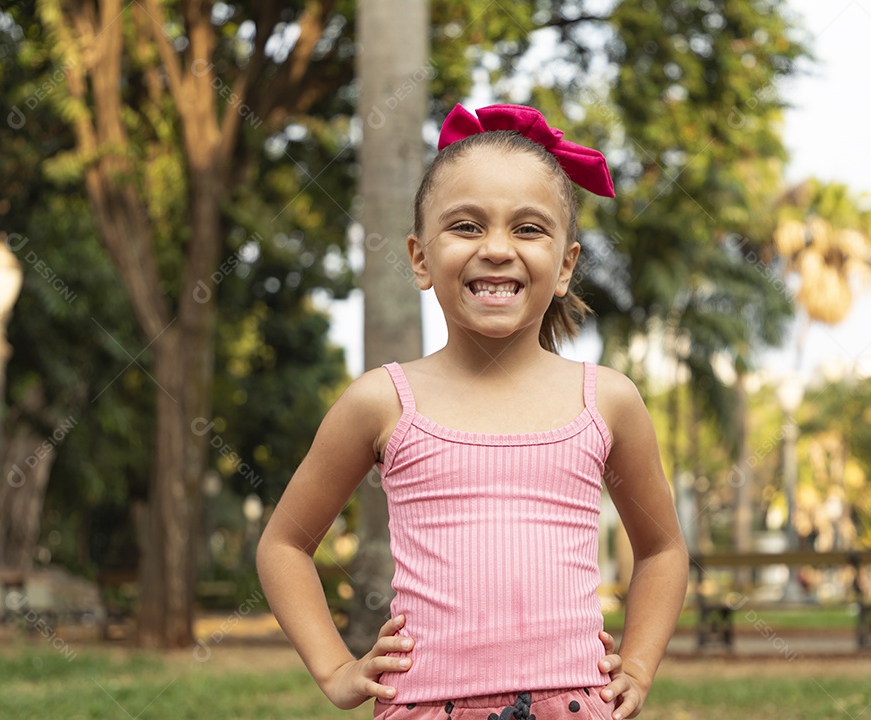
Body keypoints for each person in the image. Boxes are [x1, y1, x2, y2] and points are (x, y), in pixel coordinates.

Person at [257, 104, 689, 720]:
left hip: (573, 705)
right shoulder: (382, 401)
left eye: (528, 229)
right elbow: (285, 544)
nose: (495, 249)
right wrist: (335, 668)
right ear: (420, 258)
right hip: (424, 706)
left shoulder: (607, 400)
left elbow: (663, 550)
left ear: (565, 265)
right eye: (465, 226)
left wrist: (639, 666)